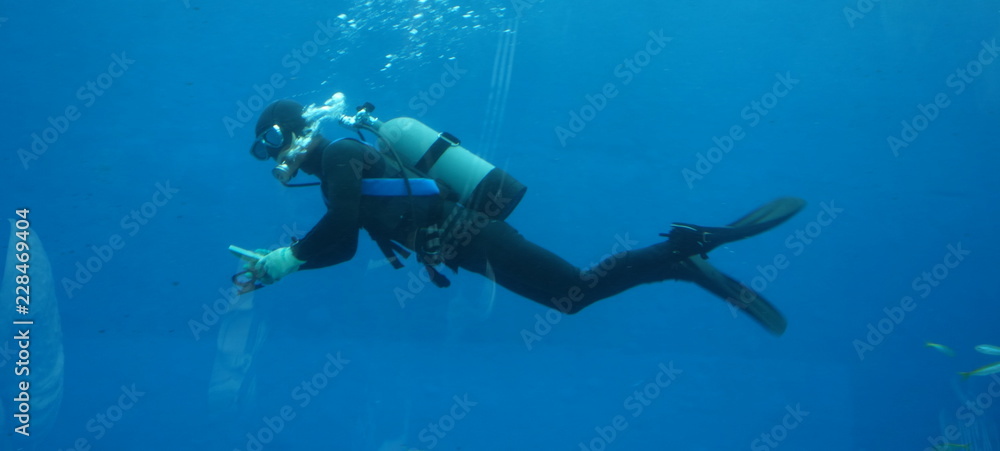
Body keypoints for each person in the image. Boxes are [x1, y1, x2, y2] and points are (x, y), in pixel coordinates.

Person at [234, 98, 805, 335]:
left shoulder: (336, 155)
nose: (271, 158)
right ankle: (681, 263)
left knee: (575, 288)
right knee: (573, 300)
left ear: (291, 134)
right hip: (460, 246)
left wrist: (289, 256)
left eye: (269, 145)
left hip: (471, 232)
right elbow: (344, 243)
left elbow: (338, 228)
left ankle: (689, 243)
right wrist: (286, 264)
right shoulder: (335, 175)